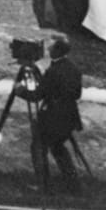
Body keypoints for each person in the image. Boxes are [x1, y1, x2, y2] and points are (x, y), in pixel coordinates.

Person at [31, 35, 84, 195]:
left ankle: (44, 185)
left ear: (57, 50)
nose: (48, 50)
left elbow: (39, 94)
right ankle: (73, 185)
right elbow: (77, 94)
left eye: (51, 48)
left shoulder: (53, 71)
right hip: (69, 117)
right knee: (58, 148)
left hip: (52, 116)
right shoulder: (74, 68)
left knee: (38, 147)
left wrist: (20, 90)